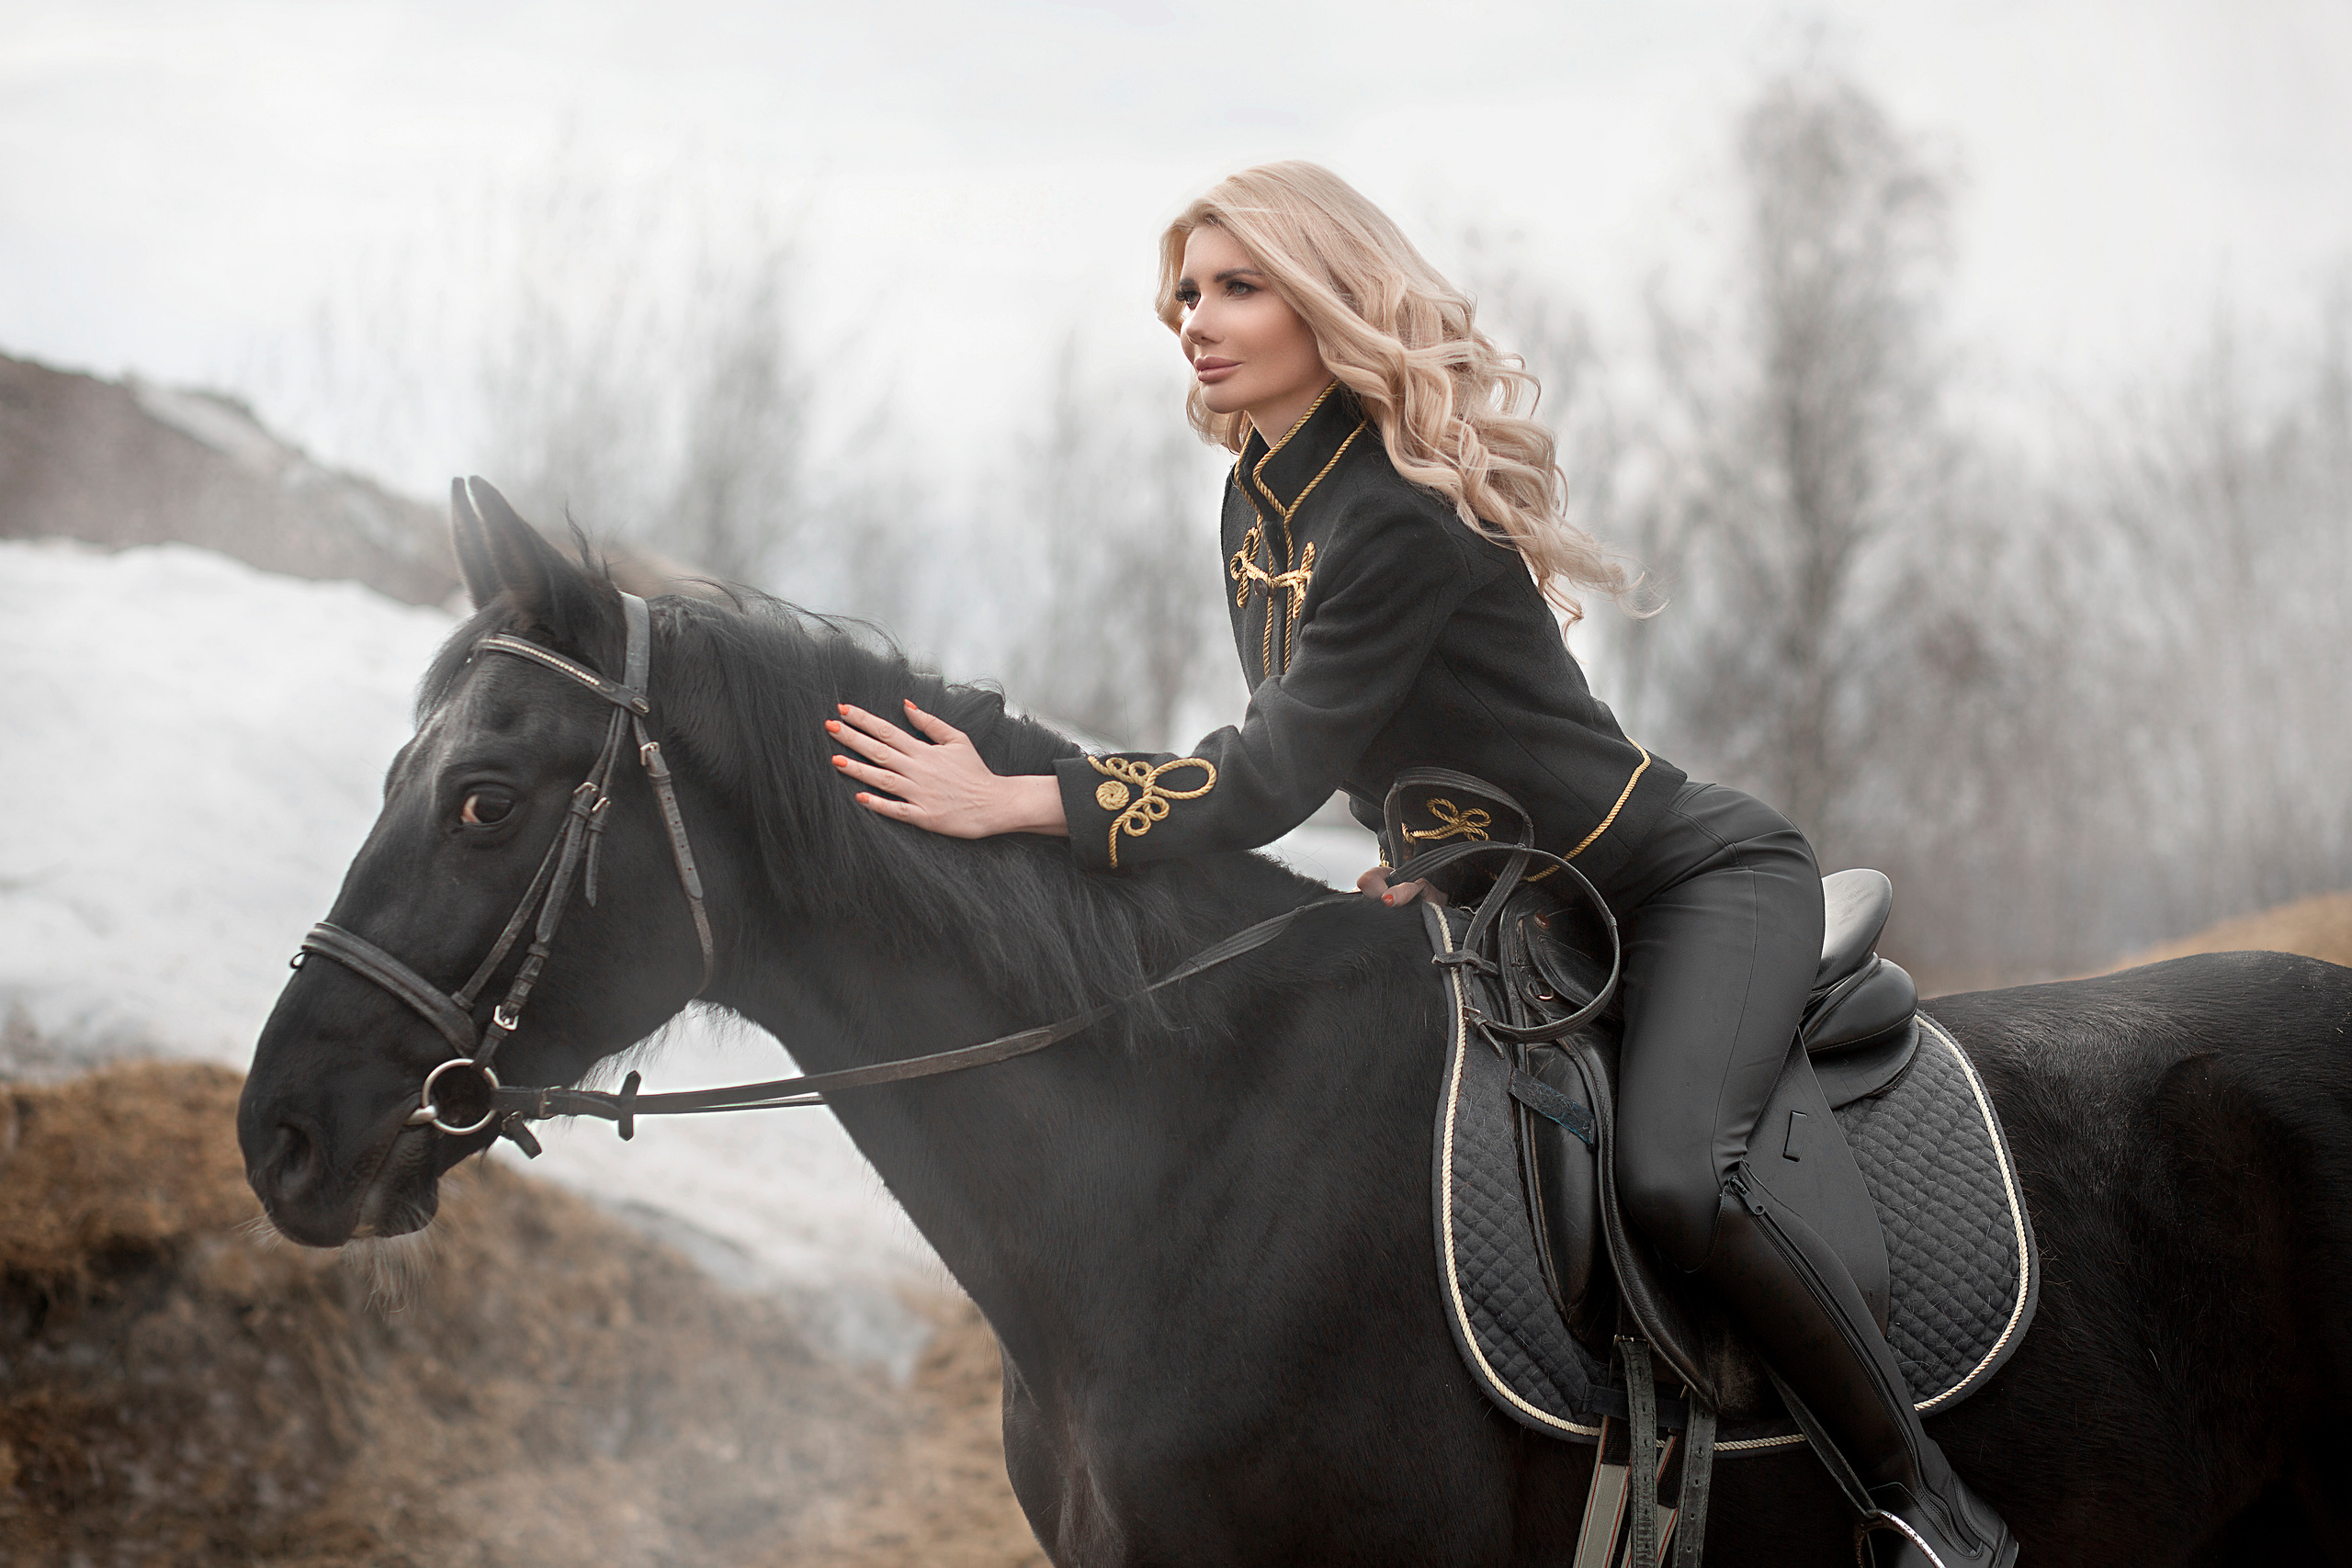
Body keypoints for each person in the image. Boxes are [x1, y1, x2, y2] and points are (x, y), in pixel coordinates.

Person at [824, 161, 2013, 1568]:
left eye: (1239, 286)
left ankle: (1930, 1510)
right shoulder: (1258, 504)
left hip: (1684, 888)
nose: (1197, 319)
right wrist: (1430, 857)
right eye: (1187, 292)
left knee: (1680, 1182)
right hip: (1521, 906)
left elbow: (1266, 773)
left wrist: (1017, 798)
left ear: (1326, 302)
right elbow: (1352, 738)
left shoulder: (1391, 513)